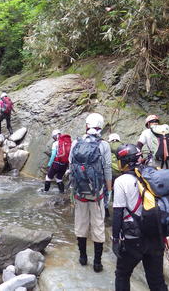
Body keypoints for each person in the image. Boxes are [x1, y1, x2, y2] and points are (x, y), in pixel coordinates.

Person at [112, 143, 168, 291]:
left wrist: (116, 239)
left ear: (123, 161)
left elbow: (118, 213)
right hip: (156, 235)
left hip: (133, 238)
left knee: (122, 274)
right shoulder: (153, 173)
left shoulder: (121, 181)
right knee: (157, 281)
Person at [69, 113, 112, 272]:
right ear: (100, 126)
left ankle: (82, 257)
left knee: (81, 224)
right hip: (97, 194)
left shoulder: (75, 143)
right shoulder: (104, 145)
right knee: (98, 226)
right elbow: (107, 169)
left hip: (80, 193)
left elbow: (71, 167)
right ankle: (97, 263)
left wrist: (73, 190)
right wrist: (109, 190)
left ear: (86, 126)